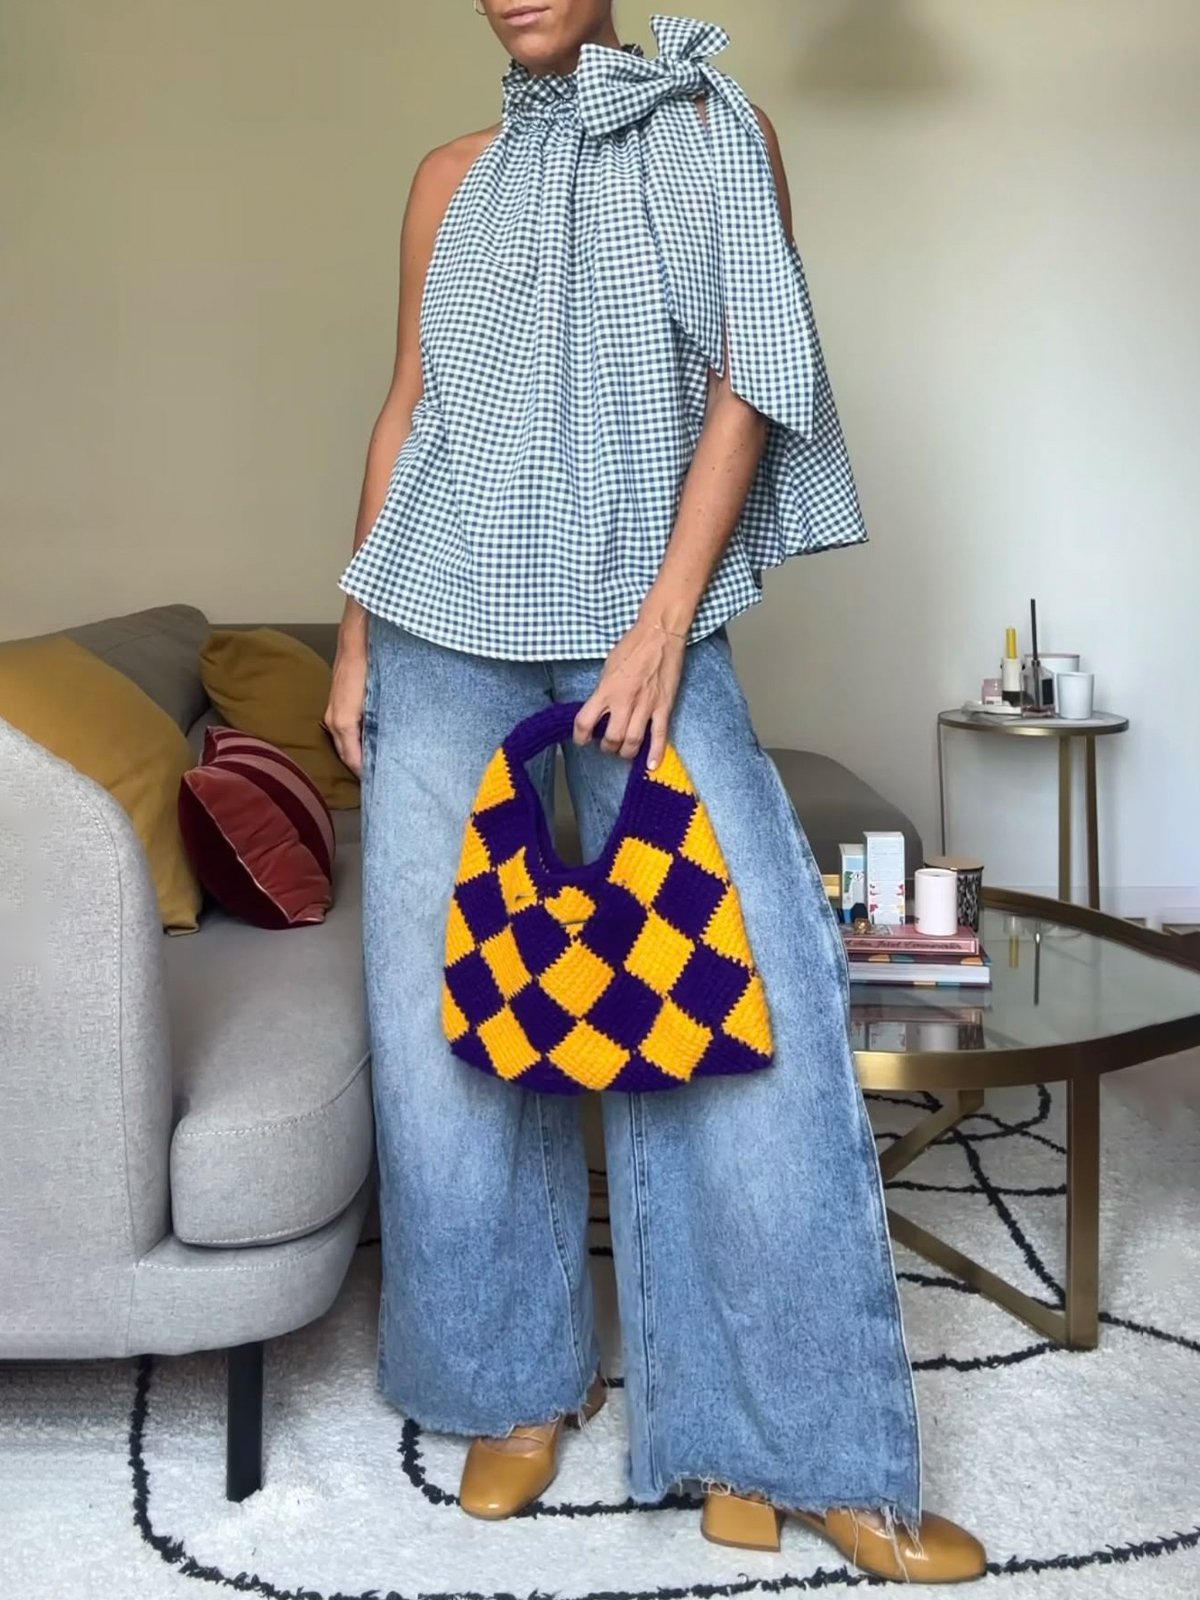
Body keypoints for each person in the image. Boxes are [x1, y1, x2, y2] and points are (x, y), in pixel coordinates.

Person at [325, 1, 985, 1583]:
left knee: (751, 987)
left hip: (639, 622)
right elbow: (410, 405)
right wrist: (351, 632)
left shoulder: (714, 130)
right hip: (436, 631)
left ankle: (797, 1443)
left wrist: (665, 623)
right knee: (446, 1018)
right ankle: (511, 1382)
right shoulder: (445, 178)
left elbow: (753, 382)